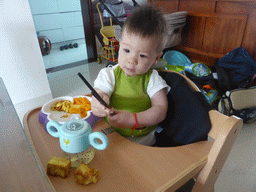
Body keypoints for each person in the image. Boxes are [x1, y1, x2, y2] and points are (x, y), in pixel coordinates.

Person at [92, 5, 170, 146]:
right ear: (119, 44)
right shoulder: (109, 74)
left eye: (142, 55)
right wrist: (98, 102)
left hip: (143, 140)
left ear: (156, 59)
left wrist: (133, 119)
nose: (132, 60)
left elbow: (160, 110)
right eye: (126, 50)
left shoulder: (152, 79)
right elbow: (99, 93)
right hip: (111, 134)